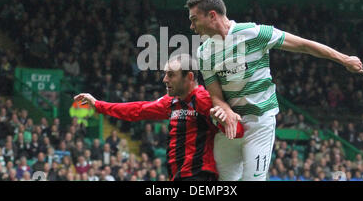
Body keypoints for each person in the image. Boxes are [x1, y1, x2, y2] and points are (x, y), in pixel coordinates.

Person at [185, 0, 363, 181]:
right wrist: (226, 112)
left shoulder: (255, 33)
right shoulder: (204, 51)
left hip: (259, 123)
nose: (191, 26)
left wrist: (344, 59)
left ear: (212, 15)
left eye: (194, 19)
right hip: (229, 126)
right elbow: (216, 96)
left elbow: (304, 45)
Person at [74, 54, 243, 181]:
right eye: (165, 74)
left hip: (198, 174)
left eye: (171, 75)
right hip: (178, 175)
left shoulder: (203, 99)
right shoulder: (171, 101)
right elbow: (138, 110)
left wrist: (224, 121)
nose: (164, 79)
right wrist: (98, 105)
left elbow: (238, 131)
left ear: (189, 77)